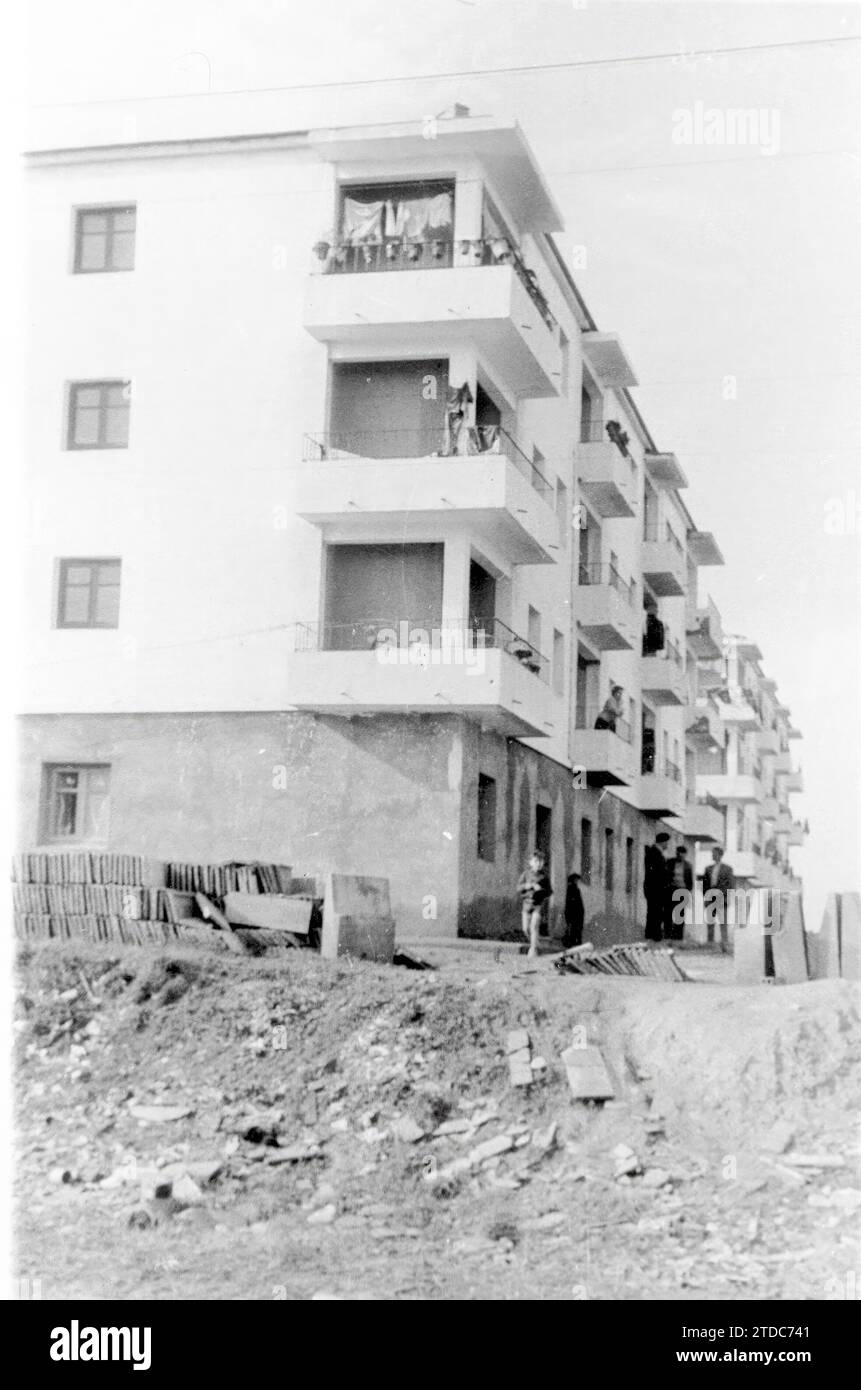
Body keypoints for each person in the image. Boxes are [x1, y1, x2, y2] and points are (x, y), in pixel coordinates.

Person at [517, 850, 552, 959]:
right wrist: (527, 886)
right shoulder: (526, 874)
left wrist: (541, 890)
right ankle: (535, 942)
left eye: (540, 862)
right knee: (526, 929)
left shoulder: (544, 877)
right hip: (526, 905)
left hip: (537, 905)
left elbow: (549, 891)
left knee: (534, 925)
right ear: (530, 863)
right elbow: (518, 888)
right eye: (536, 861)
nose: (538, 864)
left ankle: (533, 949)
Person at [701, 846, 735, 953]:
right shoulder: (708, 869)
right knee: (710, 922)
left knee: (723, 922)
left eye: (714, 853)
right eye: (712, 853)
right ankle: (710, 944)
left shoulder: (728, 869)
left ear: (720, 855)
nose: (712, 855)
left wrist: (727, 898)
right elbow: (705, 885)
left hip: (721, 898)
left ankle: (724, 945)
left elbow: (730, 885)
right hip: (710, 898)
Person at [644, 831, 671, 941]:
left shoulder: (654, 852)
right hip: (655, 888)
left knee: (655, 911)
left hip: (654, 887)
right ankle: (654, 934)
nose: (667, 845)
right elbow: (656, 872)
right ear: (663, 842)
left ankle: (653, 934)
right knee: (655, 911)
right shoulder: (654, 853)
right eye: (666, 842)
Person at [665, 845, 693, 942]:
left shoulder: (688, 866)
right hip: (671, 891)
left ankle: (678, 937)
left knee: (680, 914)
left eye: (682, 854)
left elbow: (690, 881)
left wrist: (687, 891)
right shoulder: (670, 862)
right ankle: (668, 935)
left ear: (685, 855)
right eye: (678, 853)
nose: (680, 856)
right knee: (668, 913)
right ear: (676, 853)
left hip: (682, 891)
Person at [563, 870, 584, 949]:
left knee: (575, 930)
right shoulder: (572, 889)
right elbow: (570, 903)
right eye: (576, 879)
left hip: (577, 914)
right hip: (574, 914)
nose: (577, 881)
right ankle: (573, 945)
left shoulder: (575, 889)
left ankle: (574, 944)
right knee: (574, 930)